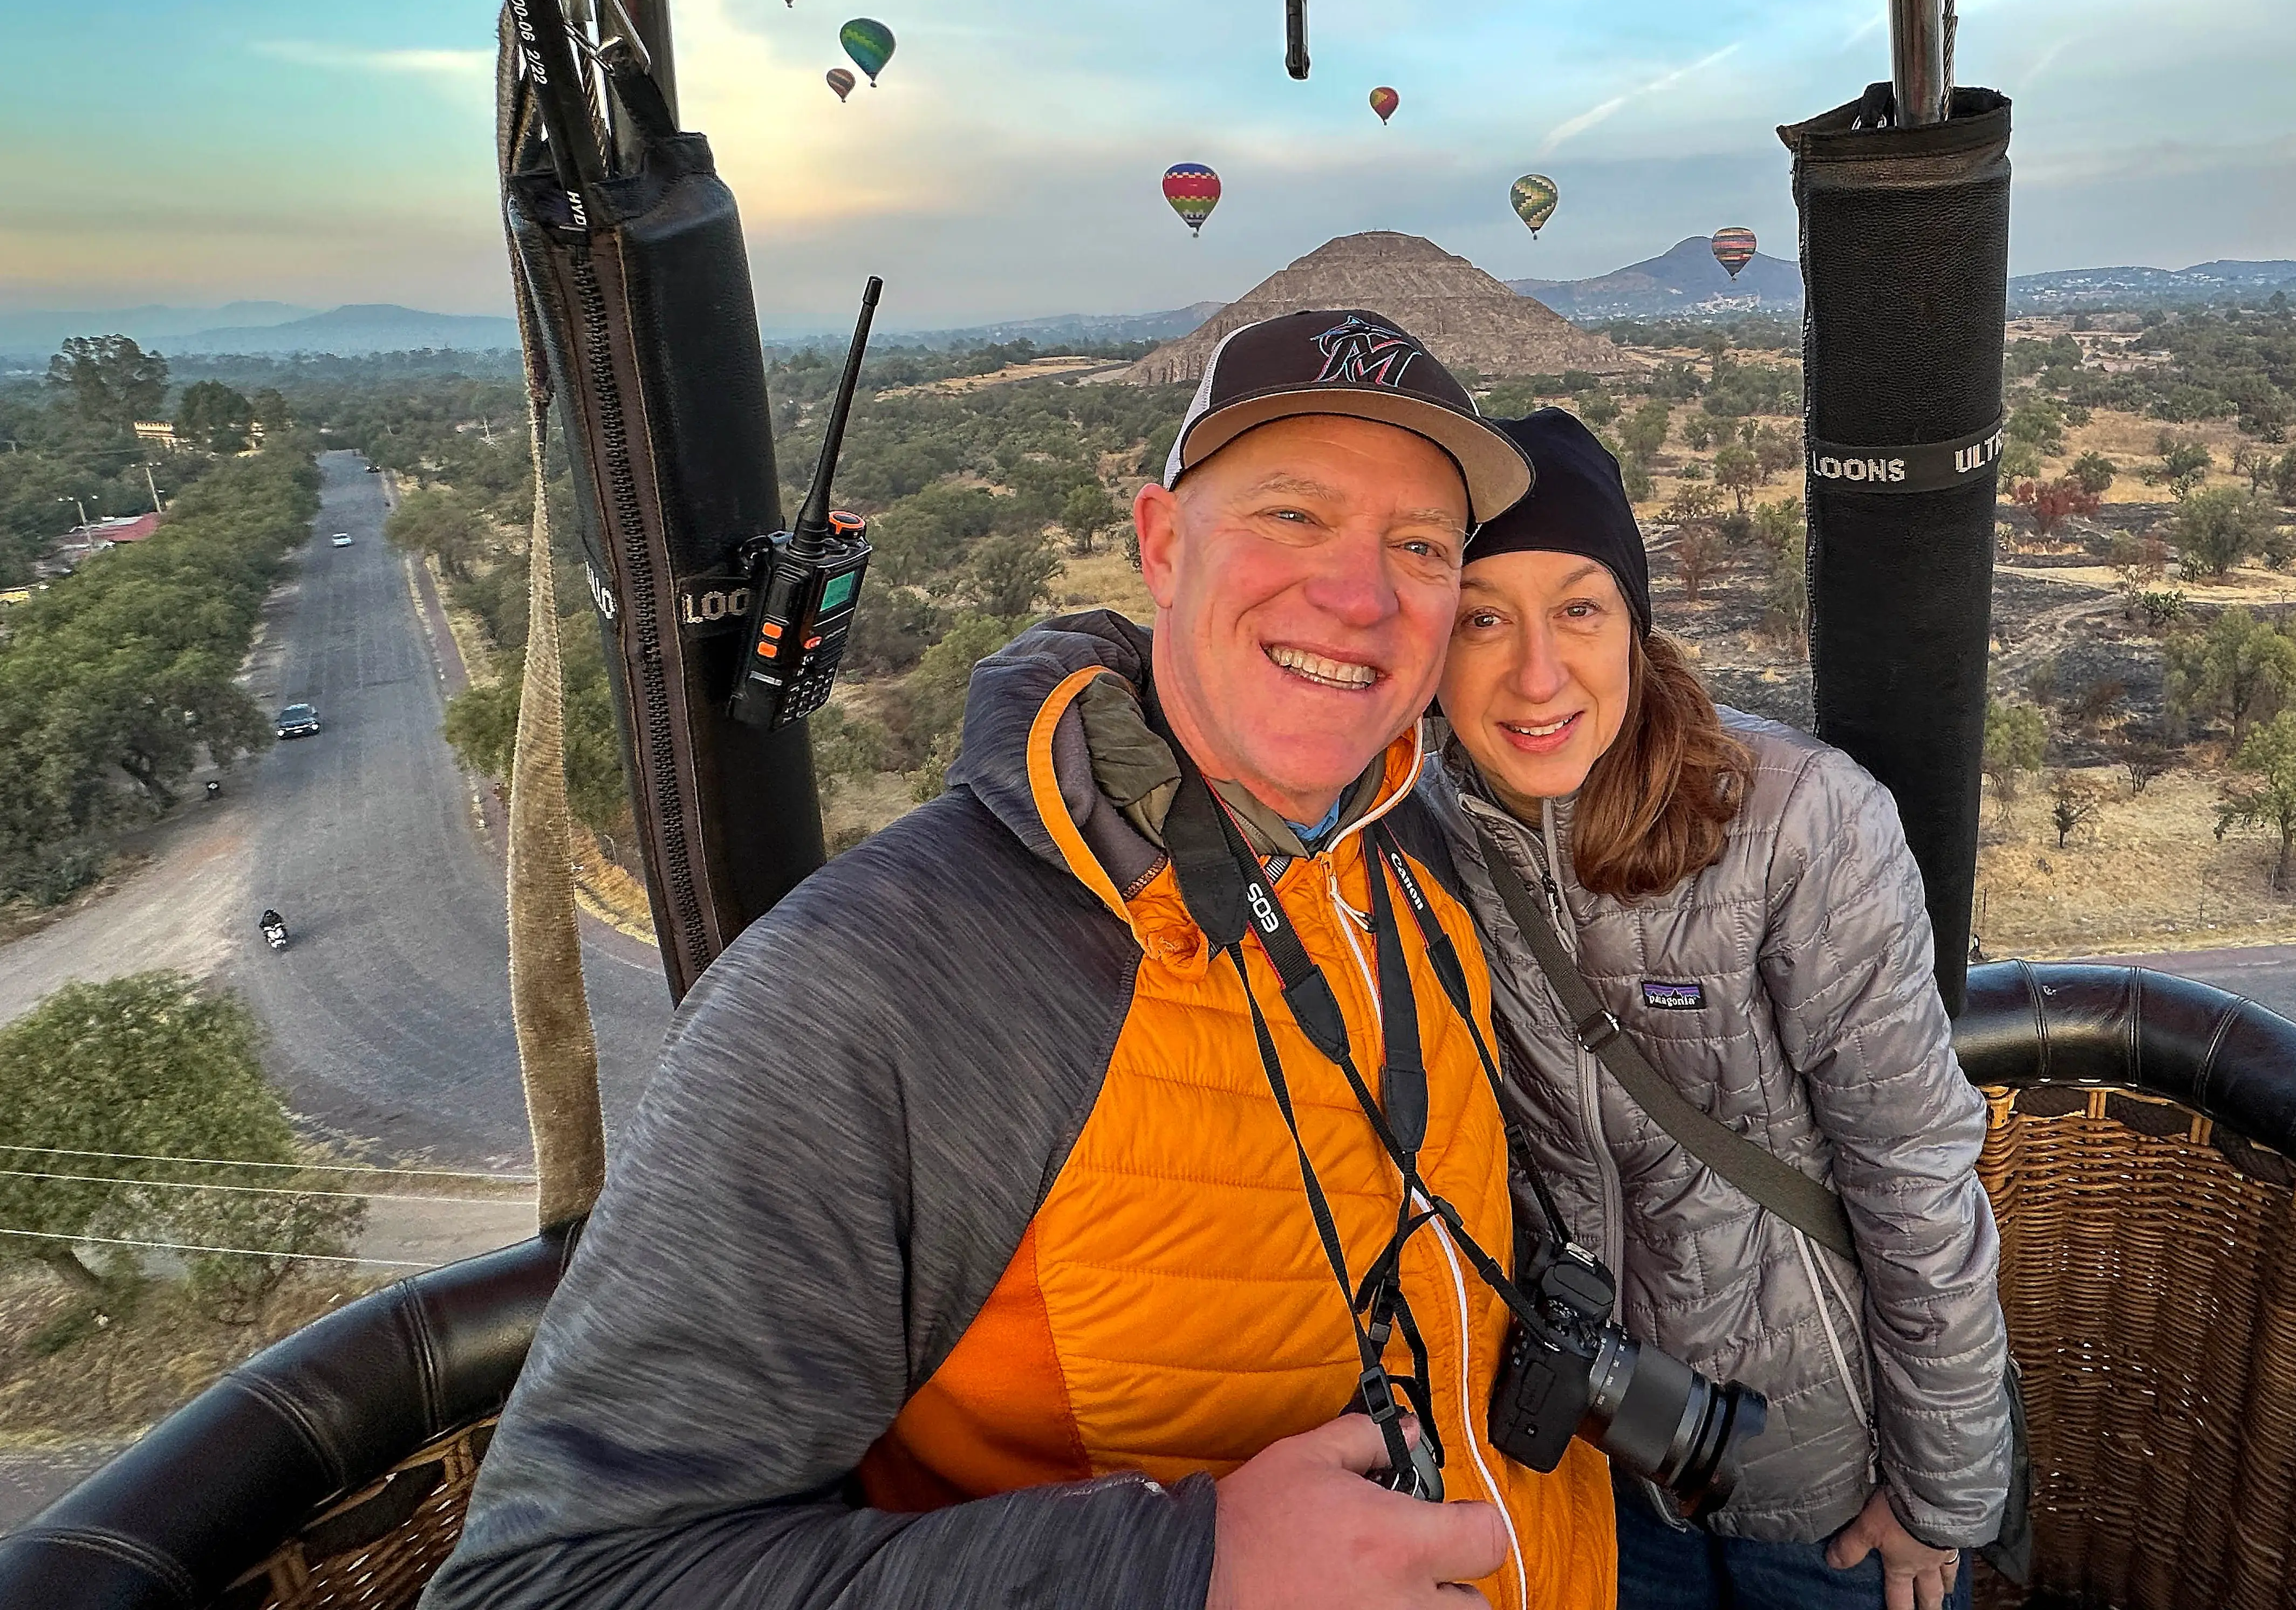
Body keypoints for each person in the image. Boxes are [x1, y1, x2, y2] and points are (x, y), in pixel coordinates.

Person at [425, 312, 1612, 1610]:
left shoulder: (1414, 855)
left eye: (1421, 546)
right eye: (1290, 515)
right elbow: (550, 1581)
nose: (1362, 595)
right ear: (1161, 543)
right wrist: (1180, 1570)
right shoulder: (874, 987)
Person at [1430, 410, 2009, 1610]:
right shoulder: (1412, 830)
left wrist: (1938, 1495)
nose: (1534, 671)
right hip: (1593, 1461)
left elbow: (1911, 1167)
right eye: (1481, 614)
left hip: (1833, 1487)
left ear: (1635, 622)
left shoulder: (1797, 820)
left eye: (1579, 607)